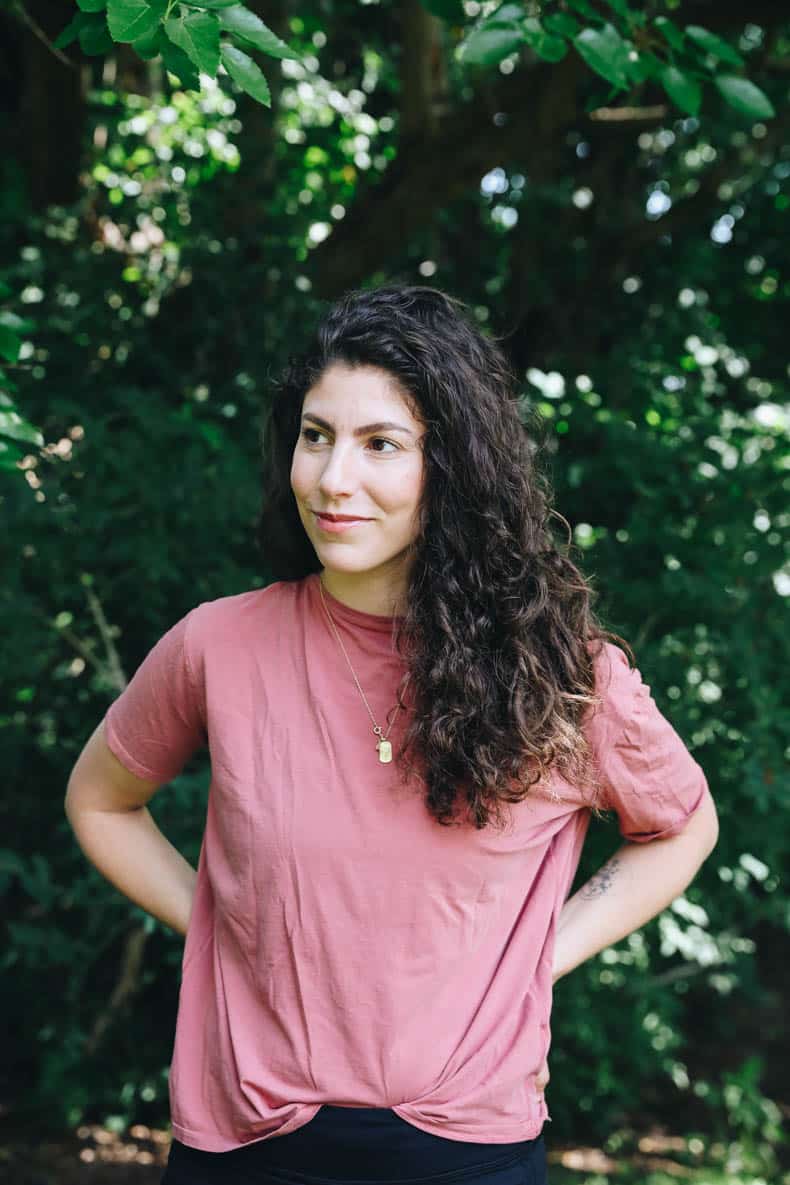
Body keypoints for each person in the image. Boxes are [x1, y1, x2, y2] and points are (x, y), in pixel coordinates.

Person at [65, 282, 719, 1185]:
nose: (334, 479)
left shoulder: (560, 669)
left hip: (468, 1150)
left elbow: (683, 822)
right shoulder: (218, 644)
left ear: (451, 466)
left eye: (381, 444)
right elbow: (101, 800)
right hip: (245, 1146)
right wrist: (220, 922)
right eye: (316, 435)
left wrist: (541, 955)